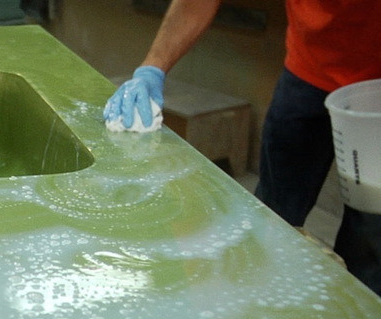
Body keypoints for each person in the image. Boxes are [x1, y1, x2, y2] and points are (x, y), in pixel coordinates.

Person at [104, 0, 381, 296]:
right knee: (271, 214)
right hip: (307, 69)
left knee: (371, 237)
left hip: (373, 87)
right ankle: (262, 306)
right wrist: (151, 69)